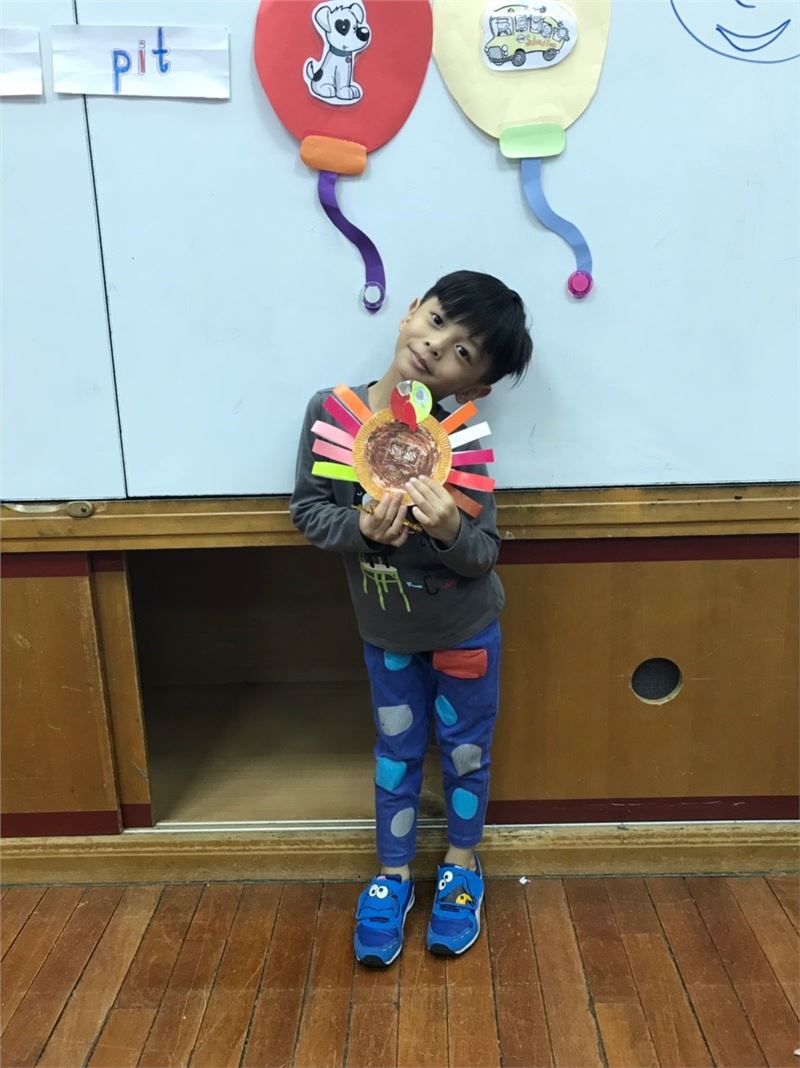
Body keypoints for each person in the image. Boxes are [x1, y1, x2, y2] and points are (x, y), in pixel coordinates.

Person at [290, 270, 533, 967]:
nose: (436, 345)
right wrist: (362, 529)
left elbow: (483, 553)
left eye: (463, 351)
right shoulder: (333, 413)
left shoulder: (460, 441)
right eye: (436, 321)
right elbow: (307, 511)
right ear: (410, 313)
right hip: (388, 635)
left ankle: (462, 863)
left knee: (465, 751)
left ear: (477, 385)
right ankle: (392, 875)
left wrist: (452, 527)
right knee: (395, 755)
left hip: (466, 632)